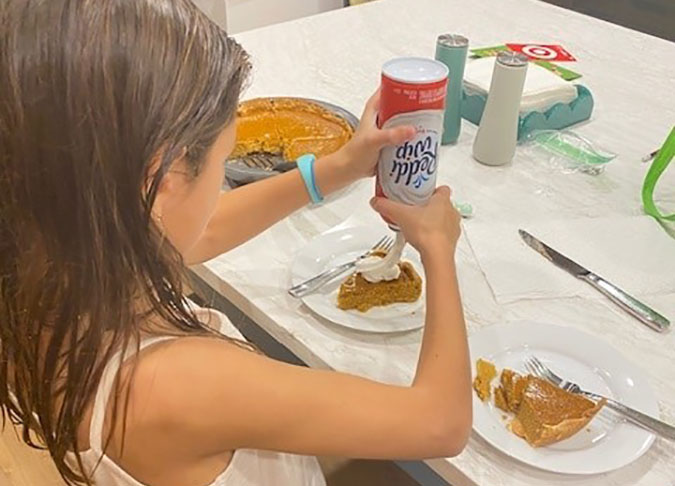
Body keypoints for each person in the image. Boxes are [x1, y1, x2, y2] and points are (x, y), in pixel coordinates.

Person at [0, 1, 471, 485]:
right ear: (160, 177)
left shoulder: (49, 266)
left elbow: (201, 232)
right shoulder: (179, 384)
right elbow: (439, 424)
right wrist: (438, 249)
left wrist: (338, 167)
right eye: (223, 159)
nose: (223, 173)